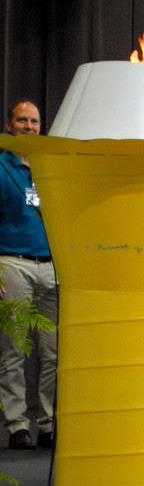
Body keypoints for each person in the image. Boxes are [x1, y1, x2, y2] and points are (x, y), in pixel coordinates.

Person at [0, 99, 57, 449]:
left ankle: (48, 424)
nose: (29, 126)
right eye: (22, 120)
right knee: (14, 351)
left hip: (50, 267)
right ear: (10, 126)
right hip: (12, 264)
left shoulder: (48, 168)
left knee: (52, 354)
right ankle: (17, 426)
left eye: (34, 121)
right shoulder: (2, 166)